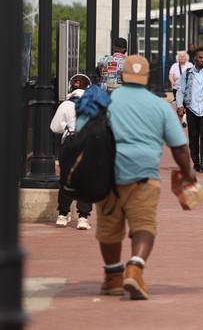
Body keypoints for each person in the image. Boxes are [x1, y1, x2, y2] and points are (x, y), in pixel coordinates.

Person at [87, 55, 195, 300]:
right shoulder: (159, 106)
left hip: (109, 177)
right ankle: (135, 268)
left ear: (123, 76)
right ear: (146, 78)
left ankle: (113, 278)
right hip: (144, 175)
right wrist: (188, 175)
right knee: (144, 226)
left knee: (109, 229)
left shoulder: (107, 101)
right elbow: (179, 147)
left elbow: (86, 131)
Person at [49, 73, 93, 230]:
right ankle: (82, 217)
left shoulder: (66, 105)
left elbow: (55, 128)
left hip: (70, 142)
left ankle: (62, 214)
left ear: (71, 86)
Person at [169, 51, 193, 126]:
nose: (182, 58)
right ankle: (181, 120)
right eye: (180, 56)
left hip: (187, 88)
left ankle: (184, 120)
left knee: (186, 104)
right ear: (178, 58)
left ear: (186, 57)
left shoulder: (190, 65)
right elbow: (170, 75)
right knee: (179, 105)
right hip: (176, 88)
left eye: (183, 56)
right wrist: (172, 83)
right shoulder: (174, 66)